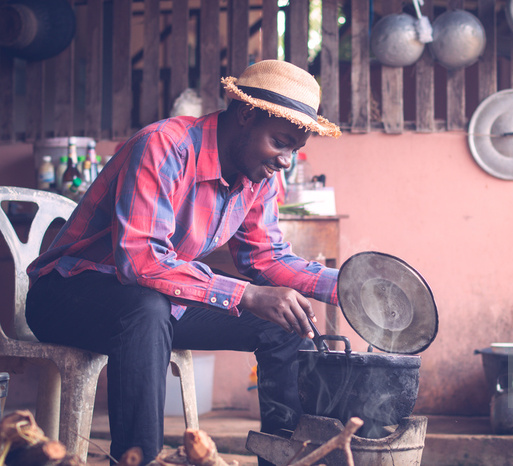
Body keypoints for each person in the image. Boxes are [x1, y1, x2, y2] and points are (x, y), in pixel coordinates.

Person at [25, 59, 342, 464]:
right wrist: (245, 294)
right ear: (246, 114)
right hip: (66, 295)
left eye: (294, 150)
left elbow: (266, 256)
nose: (285, 160)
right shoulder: (165, 146)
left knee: (283, 322)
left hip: (155, 303)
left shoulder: (260, 176)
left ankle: (283, 459)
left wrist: (348, 287)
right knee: (147, 305)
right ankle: (139, 458)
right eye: (279, 142)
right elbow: (140, 260)